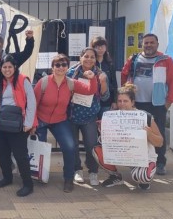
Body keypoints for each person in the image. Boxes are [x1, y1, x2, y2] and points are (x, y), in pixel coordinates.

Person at [34, 54, 98, 192]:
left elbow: (90, 91)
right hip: (41, 119)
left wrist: (92, 78)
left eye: (64, 65)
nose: (61, 67)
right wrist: (33, 123)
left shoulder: (71, 83)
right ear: (52, 67)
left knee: (70, 147)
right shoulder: (43, 82)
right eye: (57, 65)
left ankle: (68, 178)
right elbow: (33, 104)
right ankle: (38, 174)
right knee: (40, 148)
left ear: (67, 67)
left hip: (59, 120)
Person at [121, 33, 173, 175]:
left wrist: (168, 102)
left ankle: (160, 162)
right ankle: (139, 161)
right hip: (137, 103)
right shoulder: (134, 58)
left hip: (158, 104)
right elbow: (124, 74)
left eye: (151, 42)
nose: (148, 45)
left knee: (158, 133)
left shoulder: (166, 60)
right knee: (137, 133)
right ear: (142, 44)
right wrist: (126, 96)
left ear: (157, 44)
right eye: (146, 43)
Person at [94, 84, 163, 190]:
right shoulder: (112, 117)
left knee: (141, 177)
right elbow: (107, 143)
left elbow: (160, 142)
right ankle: (115, 176)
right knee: (96, 150)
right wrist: (103, 129)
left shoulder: (145, 117)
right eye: (119, 101)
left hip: (143, 157)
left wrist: (149, 134)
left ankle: (144, 177)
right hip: (123, 155)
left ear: (133, 102)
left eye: (125, 101)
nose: (122, 104)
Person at [0, 55, 37, 197]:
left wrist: (28, 123)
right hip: (0, 124)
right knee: (2, 154)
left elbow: (32, 102)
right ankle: (7, 178)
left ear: (15, 67)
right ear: (1, 68)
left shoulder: (23, 80)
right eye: (4, 67)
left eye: (10, 67)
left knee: (20, 155)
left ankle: (28, 184)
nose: (7, 69)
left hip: (18, 125)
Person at [67, 47, 109, 186]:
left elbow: (105, 97)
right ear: (80, 57)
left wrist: (102, 83)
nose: (89, 59)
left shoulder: (101, 74)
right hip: (72, 115)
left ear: (95, 59)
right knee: (72, 146)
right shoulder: (71, 73)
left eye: (92, 57)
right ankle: (77, 170)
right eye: (86, 56)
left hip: (90, 116)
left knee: (91, 145)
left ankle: (93, 172)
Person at [91, 36, 118, 116]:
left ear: (106, 47)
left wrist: (114, 101)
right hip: (92, 101)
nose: (100, 49)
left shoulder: (110, 64)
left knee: (104, 125)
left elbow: (114, 84)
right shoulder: (90, 63)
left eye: (102, 46)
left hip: (107, 101)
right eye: (97, 47)